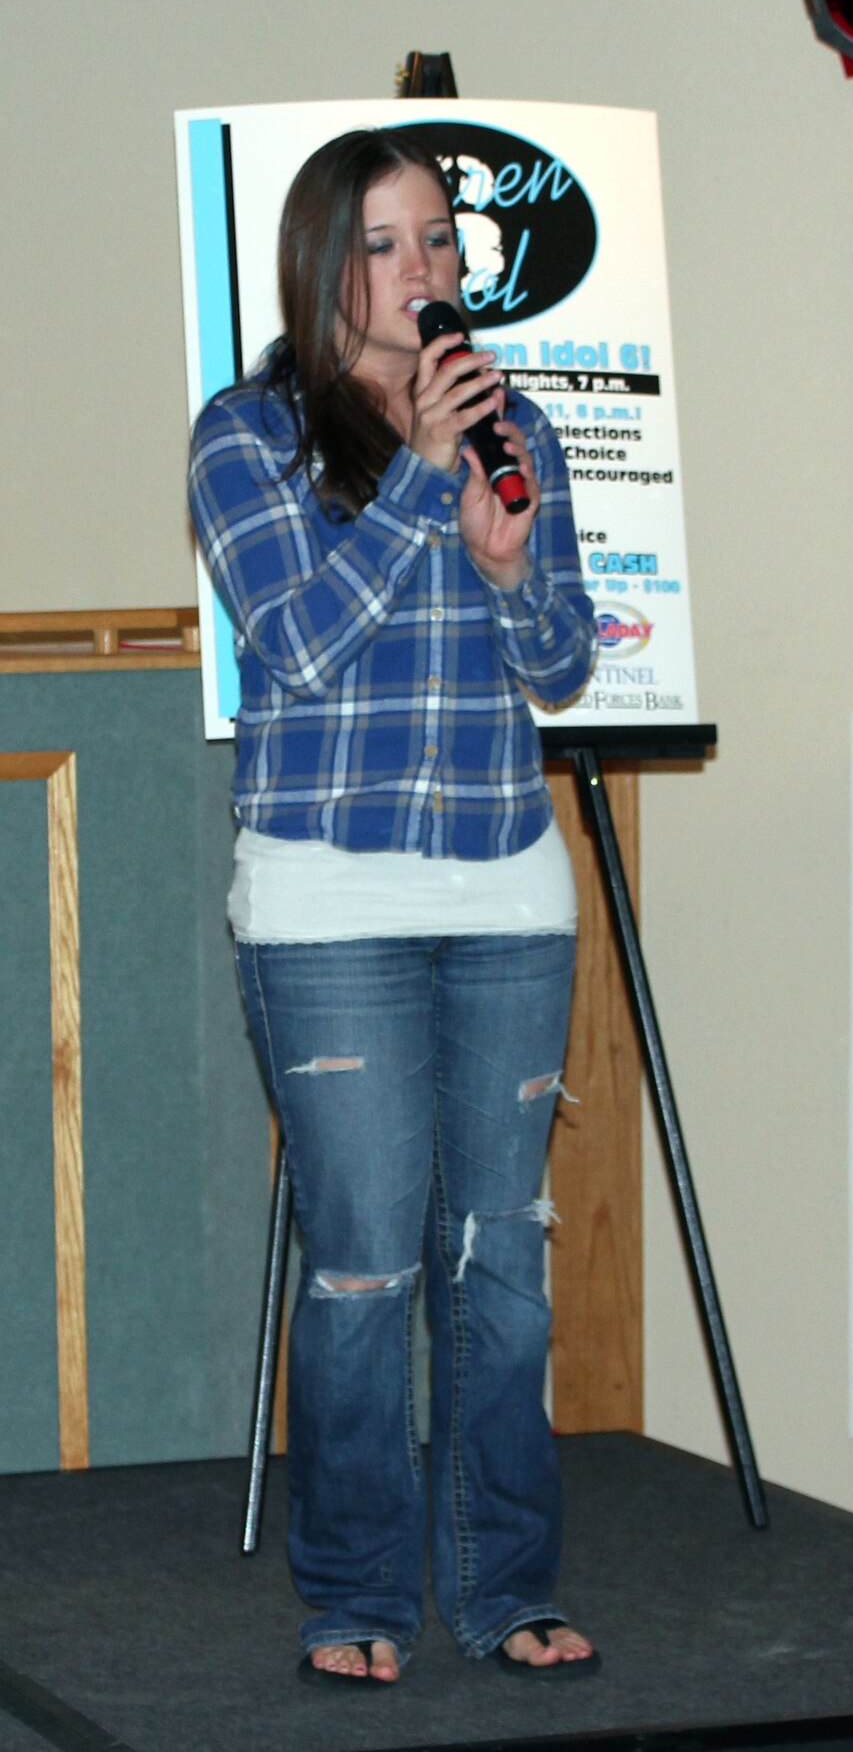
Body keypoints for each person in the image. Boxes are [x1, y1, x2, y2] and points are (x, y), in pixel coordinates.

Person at [188, 127, 599, 1687]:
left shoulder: (518, 426)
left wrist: (508, 568)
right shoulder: (247, 434)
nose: (426, 270)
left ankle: (508, 1588)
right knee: (364, 1262)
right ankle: (356, 1592)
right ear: (322, 264)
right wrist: (426, 488)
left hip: (504, 879)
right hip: (326, 894)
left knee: (500, 1257)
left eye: (440, 241)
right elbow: (292, 647)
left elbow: (563, 665)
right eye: (390, 242)